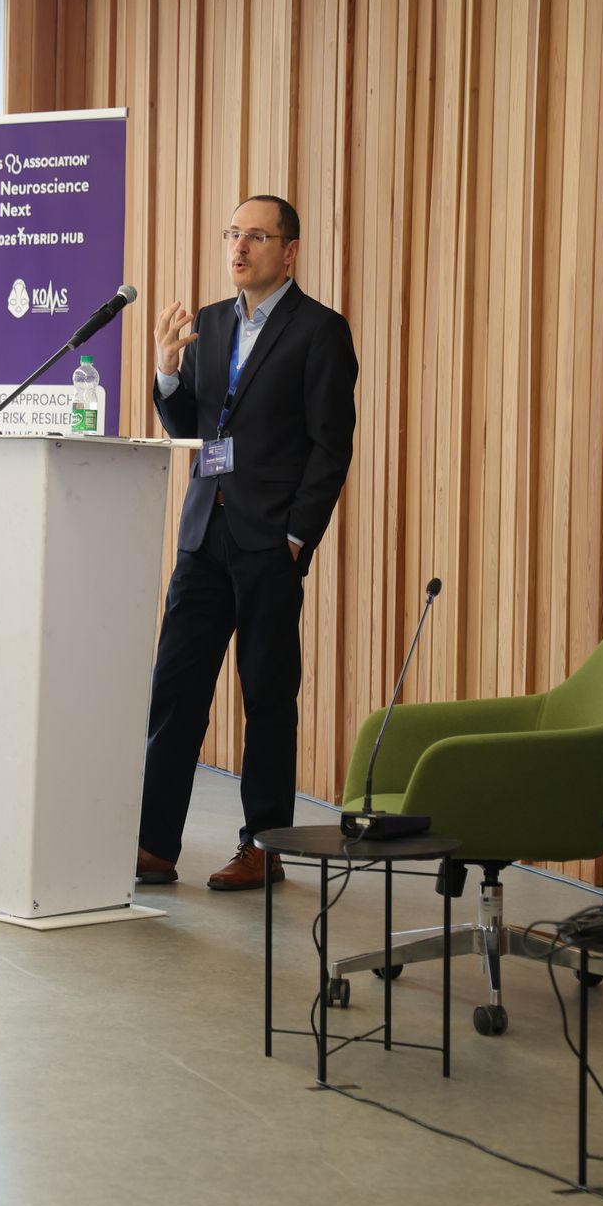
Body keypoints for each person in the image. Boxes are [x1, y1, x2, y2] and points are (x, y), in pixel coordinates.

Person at [135, 194, 358, 891]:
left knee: (266, 698)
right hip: (205, 534)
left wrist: (296, 536)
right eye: (233, 233)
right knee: (175, 692)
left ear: (289, 251)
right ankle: (153, 845)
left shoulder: (320, 330)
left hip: (268, 543)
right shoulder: (208, 323)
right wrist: (166, 370)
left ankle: (263, 846)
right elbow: (190, 430)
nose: (239, 247)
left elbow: (331, 446)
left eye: (256, 236)